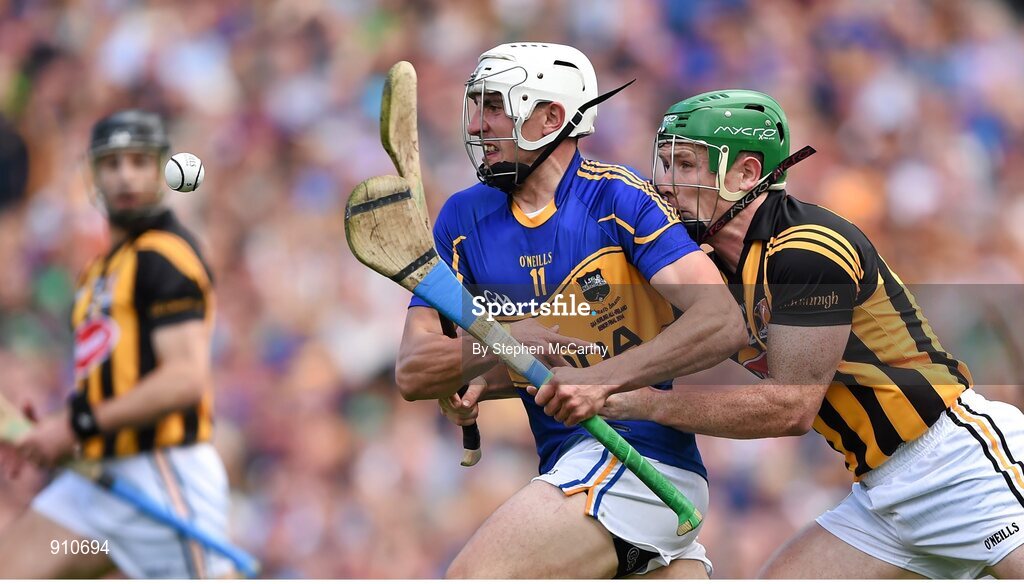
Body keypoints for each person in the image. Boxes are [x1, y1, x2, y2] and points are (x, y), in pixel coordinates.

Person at [598, 89, 1024, 579]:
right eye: (665, 164)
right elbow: (599, 337)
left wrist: (642, 402)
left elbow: (791, 406)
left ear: (746, 175)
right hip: (879, 495)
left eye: (687, 165)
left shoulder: (807, 247)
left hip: (958, 465)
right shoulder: (704, 272)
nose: (665, 185)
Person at [396, 42, 746, 579]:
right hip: (571, 468)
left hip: (641, 465)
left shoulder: (620, 199)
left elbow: (720, 321)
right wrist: (487, 360)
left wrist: (602, 382)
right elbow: (415, 370)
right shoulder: (461, 219)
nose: (477, 123)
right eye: (476, 106)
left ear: (552, 118)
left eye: (495, 106)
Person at [0, 110, 235, 578]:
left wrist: (77, 425)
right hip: (98, 485)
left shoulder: (166, 255)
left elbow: (185, 379)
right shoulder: (98, 273)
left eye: (139, 162)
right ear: (94, 176)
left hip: (163, 479)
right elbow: (111, 385)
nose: (126, 175)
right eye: (112, 164)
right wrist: (56, 430)